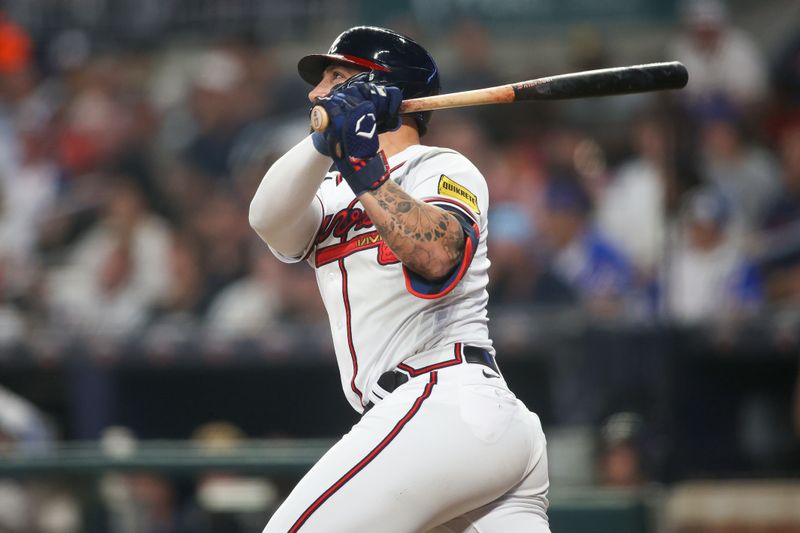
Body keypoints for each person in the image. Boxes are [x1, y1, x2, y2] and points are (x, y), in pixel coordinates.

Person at [249, 26, 550, 533]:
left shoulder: (440, 166)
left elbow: (437, 256)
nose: (316, 91)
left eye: (337, 76)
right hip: (437, 427)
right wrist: (328, 140)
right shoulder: (327, 192)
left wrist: (367, 168)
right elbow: (266, 218)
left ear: (383, 90)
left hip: (448, 399)